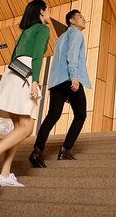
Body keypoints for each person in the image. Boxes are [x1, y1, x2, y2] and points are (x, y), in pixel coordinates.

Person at [0, 0, 50, 187]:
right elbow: (37, 56)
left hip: (11, 74)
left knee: (17, 127)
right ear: (42, 12)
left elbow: (13, 57)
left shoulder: (24, 32)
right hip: (25, 74)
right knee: (27, 127)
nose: (49, 14)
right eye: (48, 10)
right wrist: (35, 80)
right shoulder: (42, 29)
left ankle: (6, 173)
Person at [29, 9, 91, 167]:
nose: (83, 19)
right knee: (80, 114)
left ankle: (37, 150)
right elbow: (72, 55)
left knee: (53, 115)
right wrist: (74, 77)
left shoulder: (61, 38)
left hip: (56, 82)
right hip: (70, 78)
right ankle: (65, 150)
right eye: (80, 17)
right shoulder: (76, 34)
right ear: (71, 21)